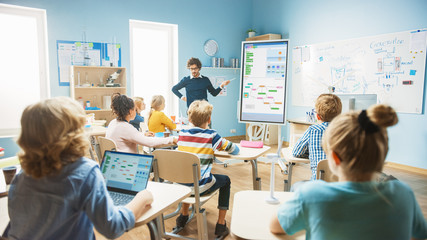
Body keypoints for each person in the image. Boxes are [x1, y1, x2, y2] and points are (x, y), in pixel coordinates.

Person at [270, 104, 427, 240]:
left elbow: (275, 227)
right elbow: (417, 236)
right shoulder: (403, 194)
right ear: (383, 153)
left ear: (334, 158)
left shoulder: (311, 195)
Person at [6, 97, 153, 239]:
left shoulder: (22, 177)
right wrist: (141, 197)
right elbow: (112, 227)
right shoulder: (85, 172)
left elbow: (15, 228)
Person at [175, 100, 239, 238]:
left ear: (189, 118)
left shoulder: (182, 133)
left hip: (179, 186)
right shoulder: (211, 135)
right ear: (209, 119)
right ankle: (221, 225)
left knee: (187, 174)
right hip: (200, 187)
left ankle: (183, 215)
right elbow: (233, 149)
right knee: (226, 180)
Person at [292, 93, 342, 180]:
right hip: (340, 184)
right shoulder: (344, 131)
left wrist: (311, 153)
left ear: (318, 116)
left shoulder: (313, 130)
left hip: (318, 183)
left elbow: (296, 152)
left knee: (295, 186)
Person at [106, 93, 176, 153]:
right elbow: (149, 142)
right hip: (127, 162)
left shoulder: (113, 123)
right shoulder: (125, 127)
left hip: (117, 160)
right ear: (130, 111)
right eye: (135, 109)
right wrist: (171, 139)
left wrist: (143, 134)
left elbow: (130, 135)